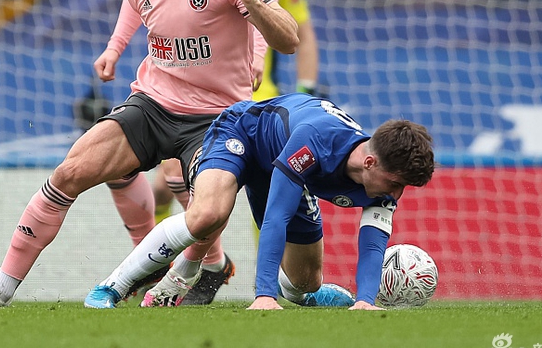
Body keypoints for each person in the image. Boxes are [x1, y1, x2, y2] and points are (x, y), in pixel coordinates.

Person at [0, 0, 298, 308]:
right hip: (153, 105)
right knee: (69, 172)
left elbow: (289, 40)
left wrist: (254, 4)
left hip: (217, 118)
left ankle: (177, 277)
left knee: (208, 211)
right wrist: (113, 50)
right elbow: (140, 12)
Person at [108, 0, 282, 305]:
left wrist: (259, 53)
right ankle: (188, 262)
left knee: (213, 177)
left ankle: (227, 269)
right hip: (170, 73)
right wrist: (115, 46)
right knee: (162, 174)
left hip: (226, 75)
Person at [84, 95, 435, 310]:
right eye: (396, 183)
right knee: (208, 213)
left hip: (283, 167)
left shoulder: (385, 182)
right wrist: (264, 295)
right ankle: (110, 287)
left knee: (307, 282)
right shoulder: (314, 143)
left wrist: (366, 302)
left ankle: (304, 296)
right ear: (371, 163)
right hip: (243, 134)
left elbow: (373, 242)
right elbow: (275, 218)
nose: (396, 193)